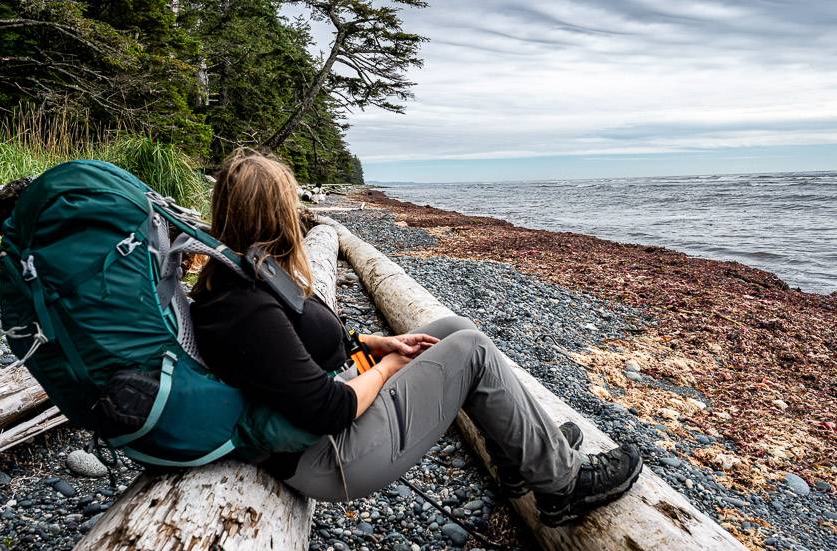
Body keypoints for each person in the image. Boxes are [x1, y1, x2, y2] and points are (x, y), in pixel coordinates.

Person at [190, 149, 643, 526]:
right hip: (333, 454)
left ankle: (516, 456)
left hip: (337, 405)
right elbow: (327, 409)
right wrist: (388, 368)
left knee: (457, 328)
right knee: (470, 352)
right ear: (276, 215)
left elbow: (293, 346)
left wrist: (373, 343)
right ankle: (563, 486)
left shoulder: (247, 273)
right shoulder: (243, 306)